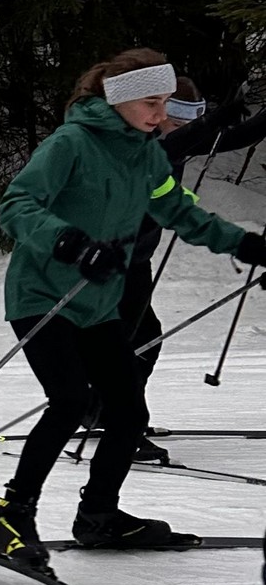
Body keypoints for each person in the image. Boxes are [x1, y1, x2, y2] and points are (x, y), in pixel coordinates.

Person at [0, 49, 266, 568]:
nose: (162, 114)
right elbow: (17, 206)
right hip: (43, 294)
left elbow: (182, 213)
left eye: (166, 103)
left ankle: (98, 516)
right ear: (118, 99)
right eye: (151, 102)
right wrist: (71, 243)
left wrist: (248, 246)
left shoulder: (145, 155)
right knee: (69, 401)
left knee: (128, 409)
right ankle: (12, 516)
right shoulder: (71, 143)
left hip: (98, 305)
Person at [118, 76, 266, 462]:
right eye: (177, 119)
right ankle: (121, 423)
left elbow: (233, 138)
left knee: (140, 339)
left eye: (190, 121)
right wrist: (209, 124)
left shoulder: (178, 138)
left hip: (137, 258)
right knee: (130, 340)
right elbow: (174, 146)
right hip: (107, 257)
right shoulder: (139, 142)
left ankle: (109, 414)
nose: (181, 127)